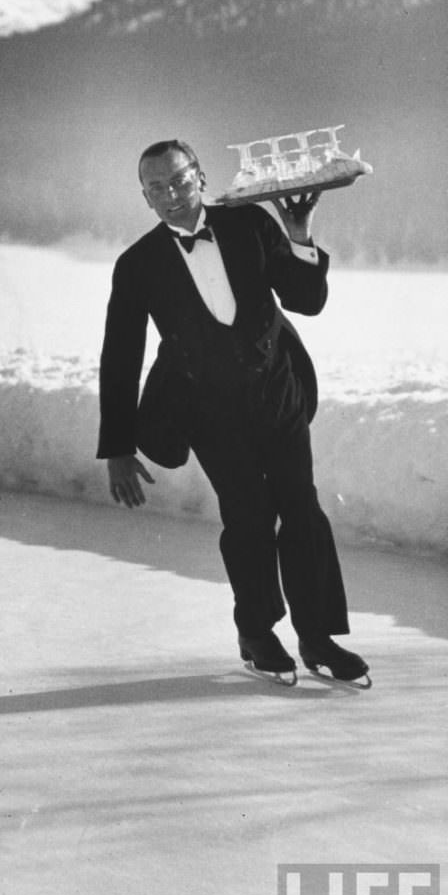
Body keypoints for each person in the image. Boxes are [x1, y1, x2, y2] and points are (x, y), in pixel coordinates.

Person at [97, 139, 369, 683]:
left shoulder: (248, 223)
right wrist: (119, 448)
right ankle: (258, 634)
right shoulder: (137, 265)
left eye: (178, 181)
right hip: (207, 409)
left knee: (302, 509)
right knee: (248, 516)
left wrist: (298, 237)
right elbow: (120, 355)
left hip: (278, 391)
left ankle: (318, 639)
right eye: (156, 188)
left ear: (200, 176)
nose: (170, 195)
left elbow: (306, 301)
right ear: (145, 198)